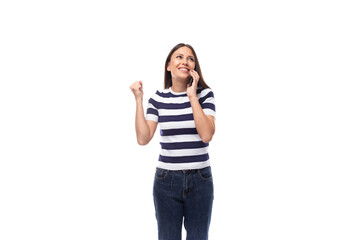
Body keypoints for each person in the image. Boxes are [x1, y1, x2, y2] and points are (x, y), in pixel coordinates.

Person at [129, 43, 216, 240]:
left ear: (195, 66)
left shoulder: (205, 95)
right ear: (169, 65)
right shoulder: (157, 99)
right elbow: (143, 139)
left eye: (190, 58)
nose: (185, 61)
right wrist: (138, 100)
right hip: (166, 181)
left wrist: (192, 96)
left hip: (200, 181)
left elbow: (206, 135)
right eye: (179, 57)